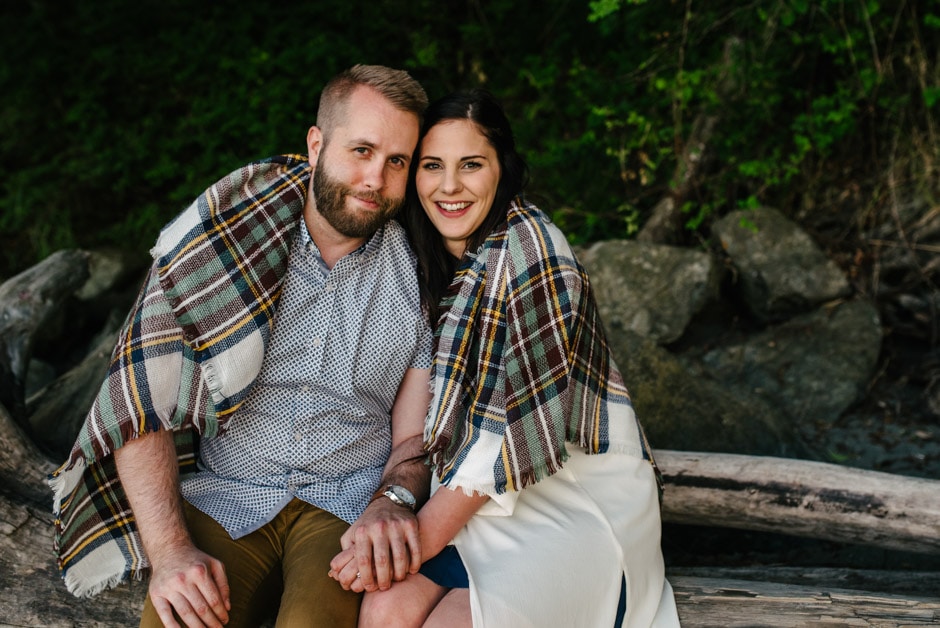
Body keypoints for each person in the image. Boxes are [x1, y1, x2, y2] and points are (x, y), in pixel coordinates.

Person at [50, 64, 436, 628]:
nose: (375, 177)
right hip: (227, 491)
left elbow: (414, 436)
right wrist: (170, 554)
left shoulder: (419, 273)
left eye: (396, 161)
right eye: (361, 150)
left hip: (348, 504)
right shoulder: (220, 241)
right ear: (316, 144)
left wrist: (394, 500)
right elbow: (142, 401)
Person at [329, 89, 681, 627]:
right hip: (477, 505)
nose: (449, 186)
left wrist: (409, 545)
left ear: (502, 170)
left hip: (573, 500)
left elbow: (495, 445)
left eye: (471, 165)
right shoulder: (424, 261)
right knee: (384, 610)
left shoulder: (533, 251)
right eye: (432, 166)